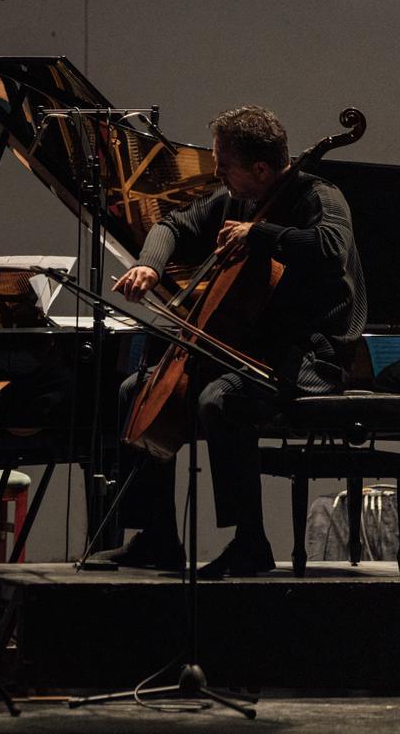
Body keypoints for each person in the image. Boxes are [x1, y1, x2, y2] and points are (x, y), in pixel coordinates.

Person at [103, 105, 367, 578]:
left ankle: (251, 543)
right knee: (134, 391)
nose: (217, 173)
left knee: (219, 400)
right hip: (255, 351)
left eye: (224, 165)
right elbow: (172, 225)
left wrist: (261, 235)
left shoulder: (318, 196)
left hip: (310, 354)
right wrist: (150, 265)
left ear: (261, 168)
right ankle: (156, 536)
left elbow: (331, 248)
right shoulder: (235, 201)